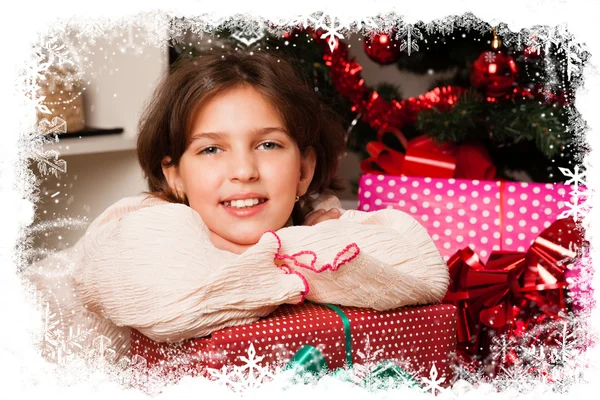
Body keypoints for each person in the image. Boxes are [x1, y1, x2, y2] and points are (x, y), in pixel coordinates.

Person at [26, 49, 449, 361]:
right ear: (175, 175)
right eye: (211, 150)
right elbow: (180, 305)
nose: (244, 170)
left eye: (268, 144)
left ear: (303, 169)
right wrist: (293, 262)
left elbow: (425, 273)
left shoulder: (313, 218)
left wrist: (323, 228)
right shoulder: (142, 227)